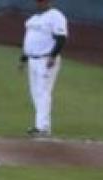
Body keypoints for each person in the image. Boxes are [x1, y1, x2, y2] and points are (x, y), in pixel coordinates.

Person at [19, 0, 68, 137]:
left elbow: (61, 38)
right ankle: (41, 125)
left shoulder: (56, 16)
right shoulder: (33, 19)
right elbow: (28, 40)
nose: (40, 3)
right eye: (39, 1)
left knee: (43, 91)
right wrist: (23, 59)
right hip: (32, 60)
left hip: (46, 60)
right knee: (35, 92)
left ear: (49, 2)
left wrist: (53, 56)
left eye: (43, 1)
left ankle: (42, 127)